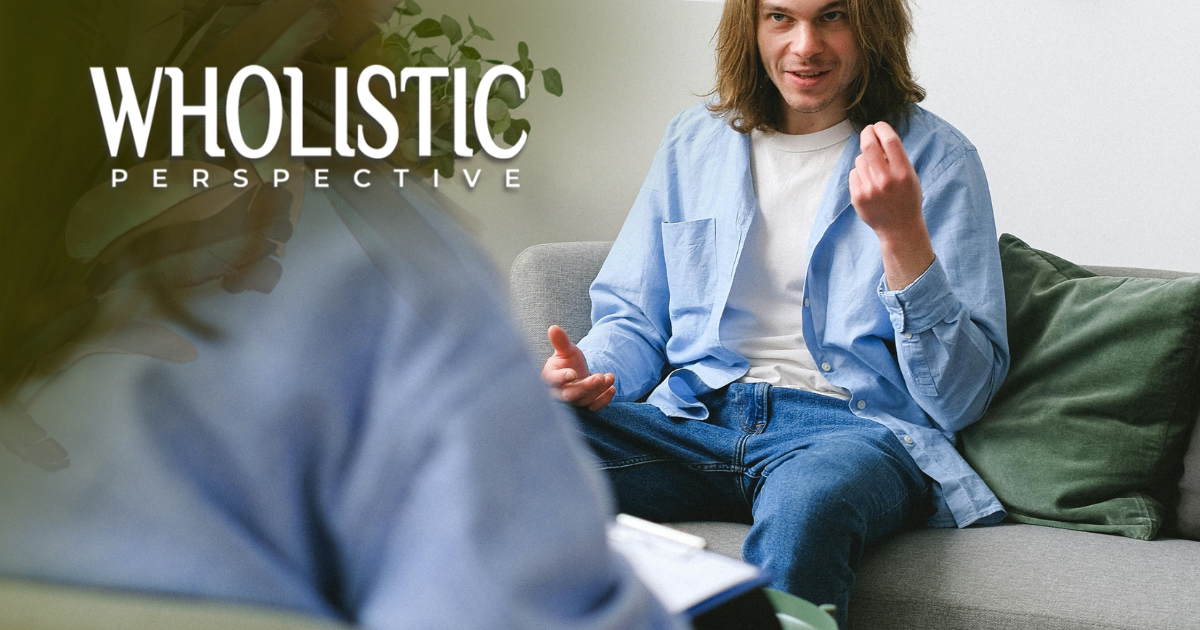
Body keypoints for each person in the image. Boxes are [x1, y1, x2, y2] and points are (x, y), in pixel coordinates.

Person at [0, 178, 686, 630]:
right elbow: (633, 314)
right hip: (677, 415)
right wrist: (593, 368)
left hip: (762, 407)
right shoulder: (375, 252)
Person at [540, 0, 1010, 627]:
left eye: (833, 16)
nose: (806, 45)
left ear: (872, 24)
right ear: (752, 27)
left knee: (807, 508)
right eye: (781, 17)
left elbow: (962, 398)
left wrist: (902, 235)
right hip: (694, 416)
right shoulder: (694, 142)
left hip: (848, 433)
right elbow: (635, 317)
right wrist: (589, 372)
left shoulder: (938, 159)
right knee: (513, 444)